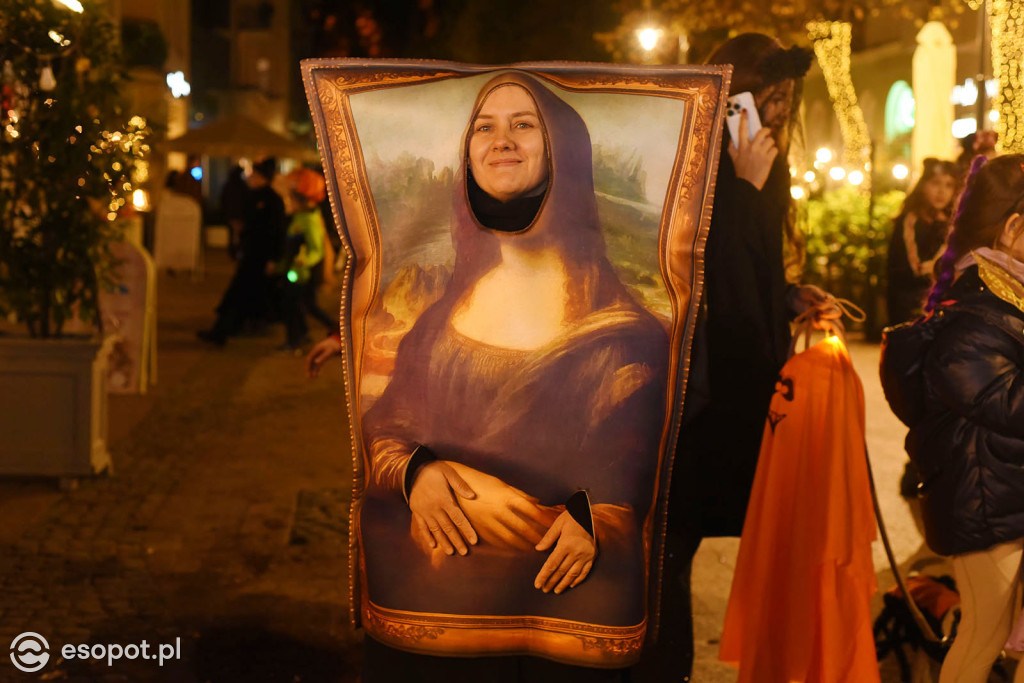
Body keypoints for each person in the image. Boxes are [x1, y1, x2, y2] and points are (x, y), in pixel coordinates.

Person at [357, 72, 669, 682]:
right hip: (435, 621)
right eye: (484, 126)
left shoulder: (626, 332)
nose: (502, 140)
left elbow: (632, 462)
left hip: (561, 617)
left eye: (524, 125)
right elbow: (388, 428)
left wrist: (598, 518)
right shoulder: (443, 316)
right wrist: (419, 473)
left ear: (565, 154)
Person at [643, 33, 837, 681]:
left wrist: (788, 296)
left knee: (686, 538)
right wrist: (748, 191)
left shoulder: (758, 167)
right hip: (695, 390)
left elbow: (749, 280)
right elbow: (709, 276)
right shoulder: (701, 164)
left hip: (733, 385)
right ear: (734, 101)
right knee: (671, 542)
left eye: (786, 101)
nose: (779, 114)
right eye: (770, 98)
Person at [881, 154, 1024, 683]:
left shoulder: (1004, 296)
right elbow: (1006, 404)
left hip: (1005, 494)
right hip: (986, 506)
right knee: (983, 637)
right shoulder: (975, 315)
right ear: (1012, 227)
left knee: (998, 636)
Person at [197, 158, 286, 346]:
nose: (250, 177)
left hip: (260, 256)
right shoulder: (252, 196)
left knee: (241, 294)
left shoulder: (272, 200)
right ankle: (225, 330)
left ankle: (223, 331)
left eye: (254, 174)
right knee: (241, 294)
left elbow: (277, 231)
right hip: (251, 253)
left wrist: (273, 258)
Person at [886, 158, 958, 325]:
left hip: (942, 305)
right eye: (936, 183)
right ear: (923, 185)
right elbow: (901, 269)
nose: (942, 191)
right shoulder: (909, 221)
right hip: (907, 302)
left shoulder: (953, 226)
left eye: (949, 185)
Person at [276, 167, 336, 351]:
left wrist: (302, 262)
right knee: (302, 306)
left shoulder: (309, 220)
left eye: (291, 198)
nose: (288, 201)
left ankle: (336, 331)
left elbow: (316, 249)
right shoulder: (301, 216)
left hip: (303, 274)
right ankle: (301, 336)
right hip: (297, 272)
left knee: (302, 306)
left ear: (302, 200)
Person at [220, 164, 250, 259]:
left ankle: (233, 252)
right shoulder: (242, 185)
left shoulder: (229, 185)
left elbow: (223, 199)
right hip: (239, 214)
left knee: (232, 234)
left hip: (232, 214)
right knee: (239, 234)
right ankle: (237, 251)